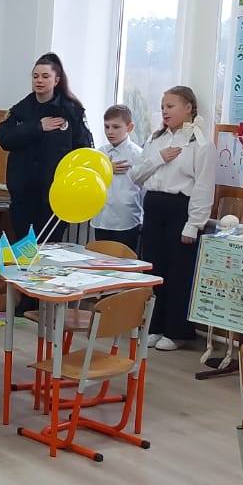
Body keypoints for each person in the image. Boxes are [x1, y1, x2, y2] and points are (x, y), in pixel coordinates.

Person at [130, 86, 214, 350]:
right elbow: (136, 175)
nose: (165, 111)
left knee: (179, 271)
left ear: (188, 107)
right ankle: (154, 326)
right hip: (154, 206)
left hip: (180, 209)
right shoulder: (155, 139)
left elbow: (203, 187)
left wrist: (194, 224)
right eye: (162, 107)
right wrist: (158, 159)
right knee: (154, 268)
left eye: (170, 106)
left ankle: (176, 331)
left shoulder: (200, 143)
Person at [0, 53, 93, 243]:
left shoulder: (71, 110)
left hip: (55, 195)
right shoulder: (21, 109)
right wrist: (37, 127)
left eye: (45, 76)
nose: (39, 80)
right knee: (23, 245)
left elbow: (83, 149)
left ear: (56, 80)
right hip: (24, 193)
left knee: (49, 246)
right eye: (35, 76)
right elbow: (4, 137)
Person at [92, 104, 144, 251]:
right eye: (106, 127)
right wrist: (105, 169)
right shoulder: (99, 153)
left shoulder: (138, 154)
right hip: (101, 218)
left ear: (129, 127)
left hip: (126, 219)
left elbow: (144, 188)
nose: (110, 132)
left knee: (124, 259)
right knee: (100, 258)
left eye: (116, 127)